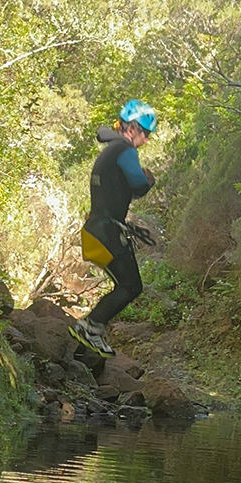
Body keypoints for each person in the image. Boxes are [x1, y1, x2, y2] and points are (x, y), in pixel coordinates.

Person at [68, 99, 158, 357]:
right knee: (131, 285)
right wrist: (148, 179)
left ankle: (86, 343)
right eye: (146, 133)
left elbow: (121, 187)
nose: (146, 140)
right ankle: (91, 326)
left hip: (96, 230)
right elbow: (139, 184)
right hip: (107, 231)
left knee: (124, 284)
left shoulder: (109, 150)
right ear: (133, 129)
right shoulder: (124, 149)